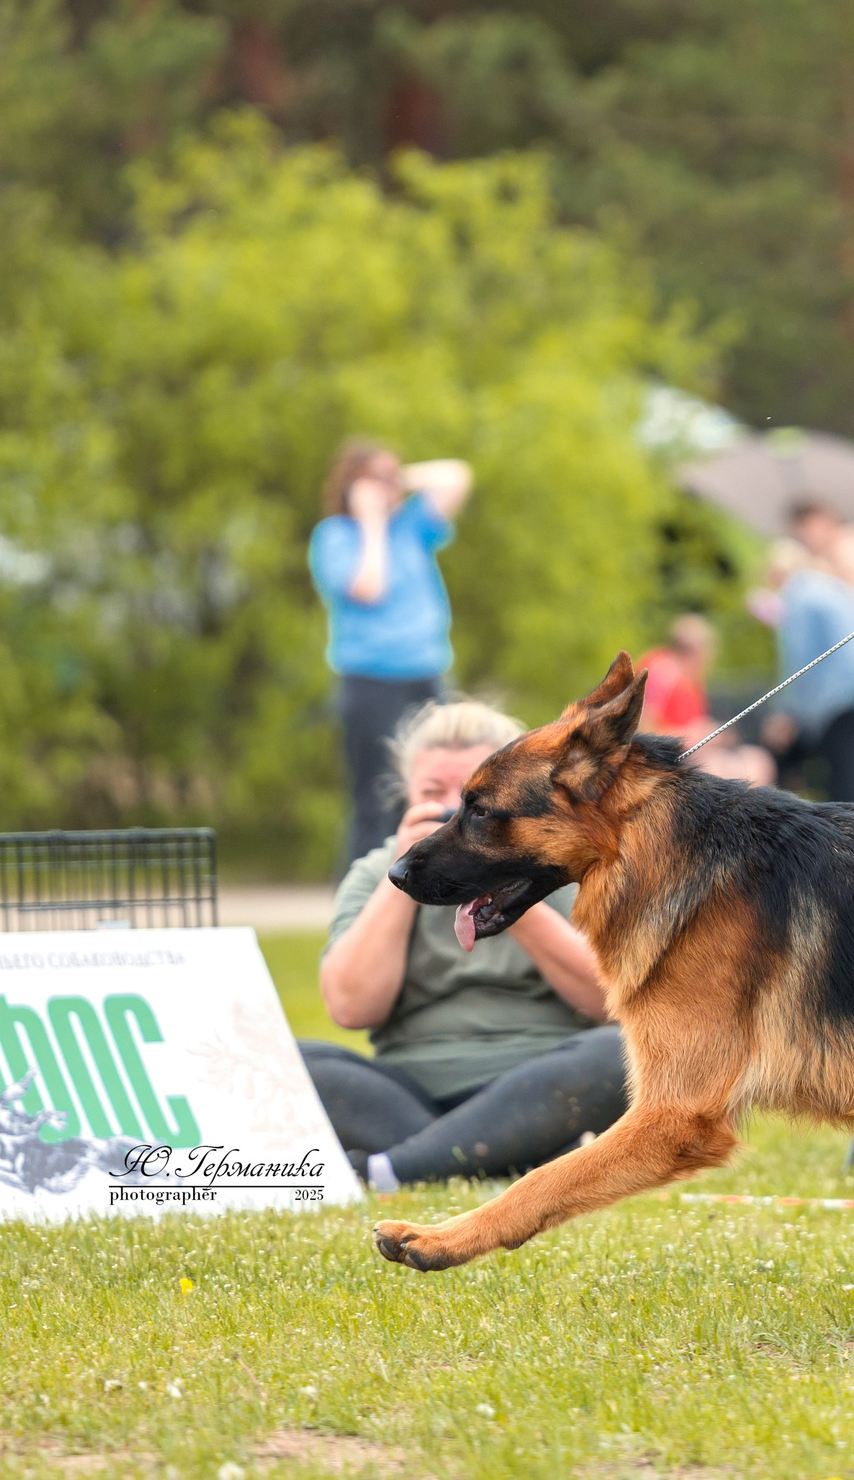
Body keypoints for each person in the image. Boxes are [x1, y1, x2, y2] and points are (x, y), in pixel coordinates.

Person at [300, 699, 628, 1190]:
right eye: (434, 793)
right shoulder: (373, 873)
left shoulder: (557, 864)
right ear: (407, 797)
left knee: (618, 1053)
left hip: (537, 1080)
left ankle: (393, 1168)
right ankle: (509, 1151)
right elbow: (351, 1007)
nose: (453, 812)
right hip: (407, 1093)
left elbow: (611, 1001)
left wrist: (505, 890)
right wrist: (408, 876)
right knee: (288, 1062)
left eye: (475, 801)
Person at [309, 442, 474, 869]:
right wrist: (371, 520)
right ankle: (364, 894)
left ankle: (429, 884)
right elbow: (370, 586)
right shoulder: (335, 535)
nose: (386, 487)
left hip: (427, 672)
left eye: (390, 477)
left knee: (441, 786)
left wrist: (399, 478)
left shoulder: (412, 525)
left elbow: (457, 475)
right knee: (376, 796)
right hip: (370, 680)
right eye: (374, 478)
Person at [763, 504, 854, 805]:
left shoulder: (798, 591)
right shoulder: (825, 585)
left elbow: (800, 661)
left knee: (849, 783)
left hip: (844, 695)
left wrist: (786, 713)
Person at [638, 614, 776, 786]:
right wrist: (693, 735)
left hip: (690, 755)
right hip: (665, 761)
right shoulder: (662, 673)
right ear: (695, 652)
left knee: (756, 760)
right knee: (728, 768)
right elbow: (644, 731)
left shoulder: (690, 679)